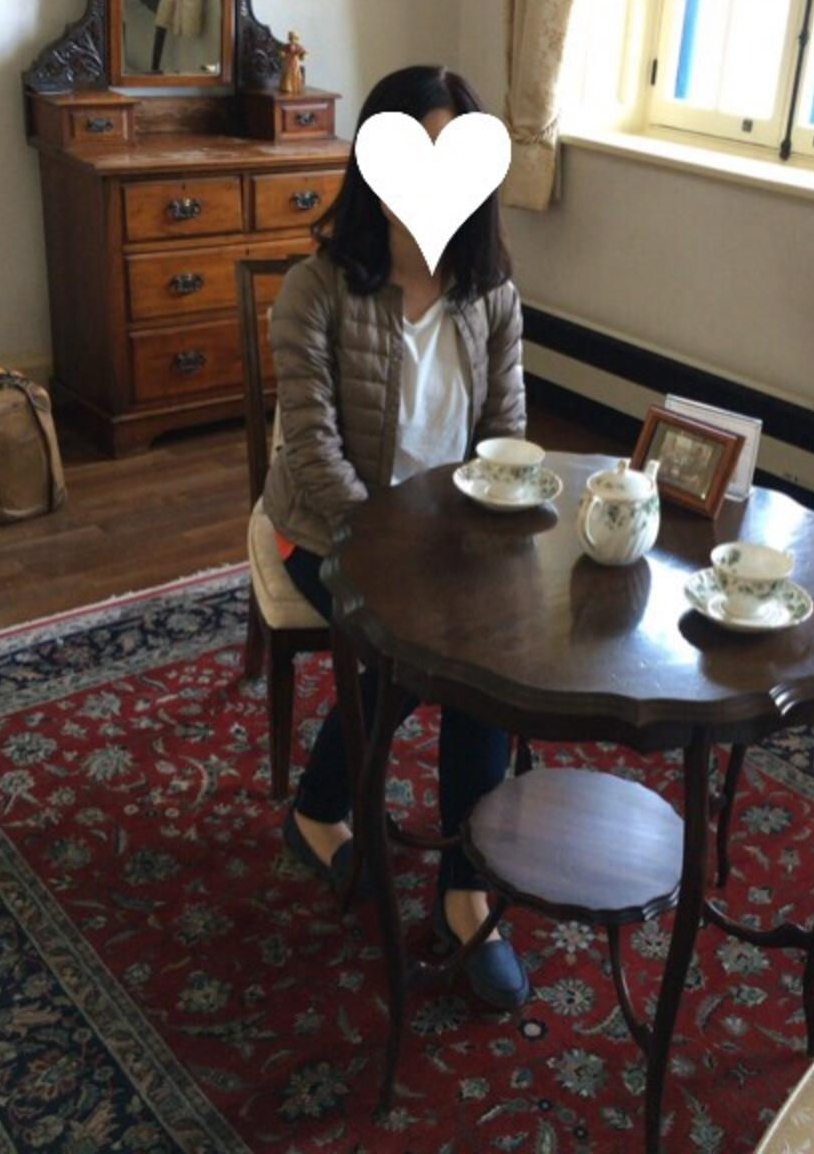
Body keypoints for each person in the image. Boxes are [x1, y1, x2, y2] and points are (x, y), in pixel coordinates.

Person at [262, 65, 529, 1009]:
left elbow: (504, 434)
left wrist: (487, 532)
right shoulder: (316, 289)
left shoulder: (492, 294)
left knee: (488, 659)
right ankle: (319, 811)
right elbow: (313, 452)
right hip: (326, 531)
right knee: (418, 652)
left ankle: (465, 889)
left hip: (452, 540)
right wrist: (393, 552)